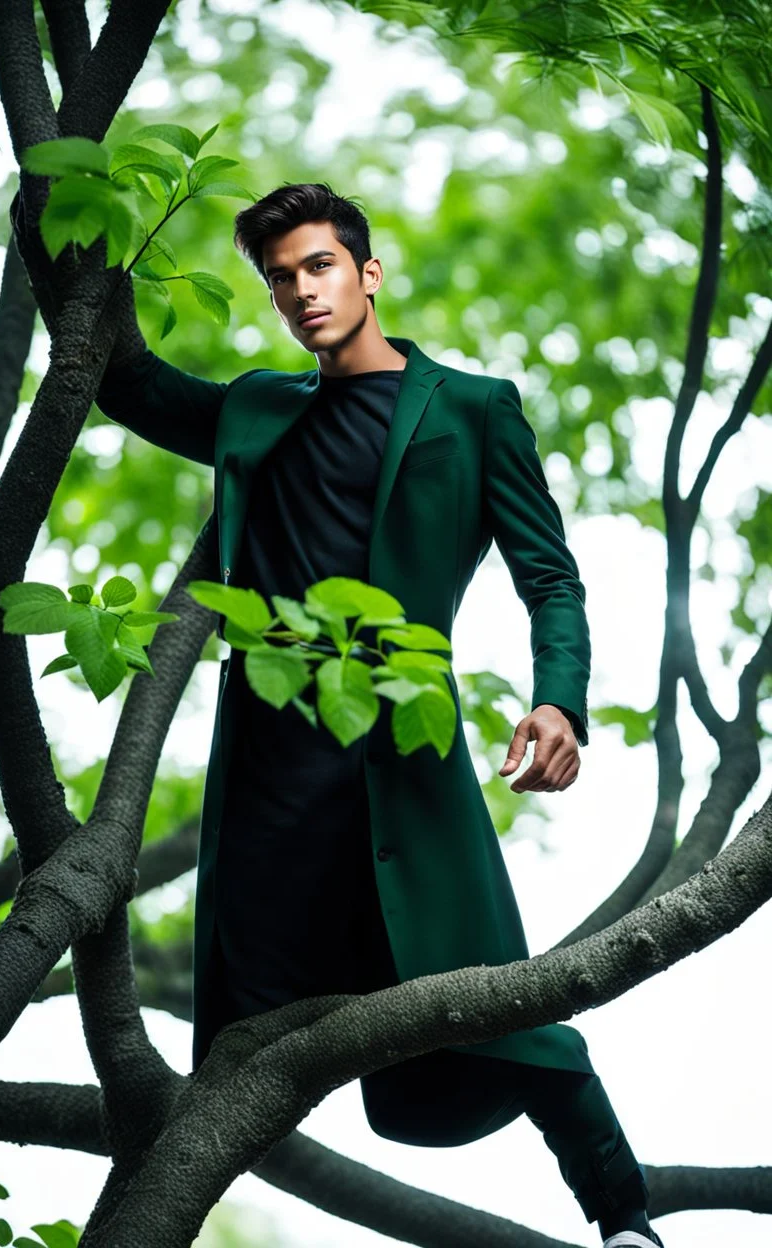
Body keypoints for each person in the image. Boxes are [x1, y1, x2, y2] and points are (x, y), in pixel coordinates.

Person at [95, 182, 664, 1248]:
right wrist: (80, 242)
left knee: (503, 996)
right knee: (243, 1051)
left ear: (368, 273)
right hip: (267, 770)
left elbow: (551, 577)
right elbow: (125, 382)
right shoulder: (256, 405)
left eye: (317, 266)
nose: (300, 291)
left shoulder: (471, 408)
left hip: (403, 747)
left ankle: (622, 1216)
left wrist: (559, 701)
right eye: (279, 279)